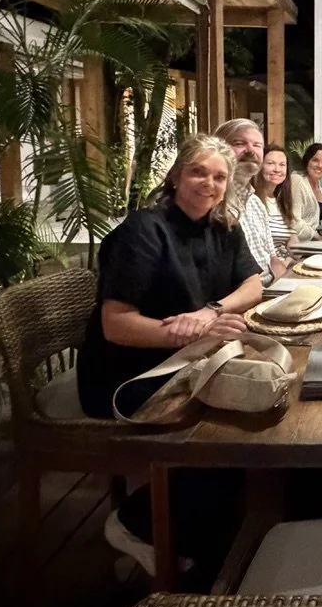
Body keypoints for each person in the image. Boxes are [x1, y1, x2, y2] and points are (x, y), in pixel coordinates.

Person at [77, 134, 263, 419]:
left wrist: (211, 312)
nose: (209, 183)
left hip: (192, 359)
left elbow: (253, 285)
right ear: (175, 176)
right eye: (198, 172)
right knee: (245, 407)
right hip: (130, 376)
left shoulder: (224, 227)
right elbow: (115, 325)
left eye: (219, 177)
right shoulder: (142, 231)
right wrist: (197, 335)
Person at [214, 118, 286, 285]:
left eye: (257, 145)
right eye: (239, 143)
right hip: (241, 300)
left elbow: (273, 260)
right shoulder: (214, 205)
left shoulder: (255, 203)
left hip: (269, 291)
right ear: (218, 150)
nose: (250, 151)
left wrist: (291, 287)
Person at [255, 144, 301, 251]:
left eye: (282, 165)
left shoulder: (281, 201)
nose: (277, 169)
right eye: (270, 163)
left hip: (286, 262)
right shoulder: (254, 201)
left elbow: (294, 243)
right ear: (260, 167)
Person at [290, 142, 322, 237]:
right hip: (298, 245)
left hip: (317, 246)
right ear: (307, 161)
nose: (320, 165)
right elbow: (294, 221)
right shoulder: (297, 181)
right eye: (315, 160)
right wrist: (317, 237)